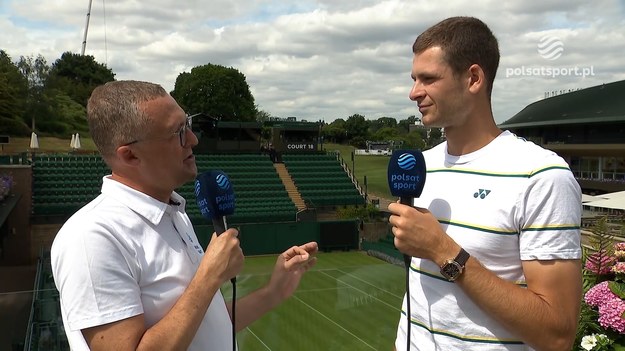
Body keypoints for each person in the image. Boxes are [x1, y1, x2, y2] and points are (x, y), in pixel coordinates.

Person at [50, 80, 318, 351]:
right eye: (178, 132)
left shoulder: (175, 215)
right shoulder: (91, 237)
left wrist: (273, 292)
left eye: (187, 125)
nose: (193, 139)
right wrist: (209, 276)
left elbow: (203, 324)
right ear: (130, 155)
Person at [388, 17, 582, 351]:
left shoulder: (542, 176)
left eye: (429, 79)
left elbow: (557, 333)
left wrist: (442, 250)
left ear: (474, 78)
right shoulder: (423, 164)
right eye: (414, 79)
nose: (413, 92)